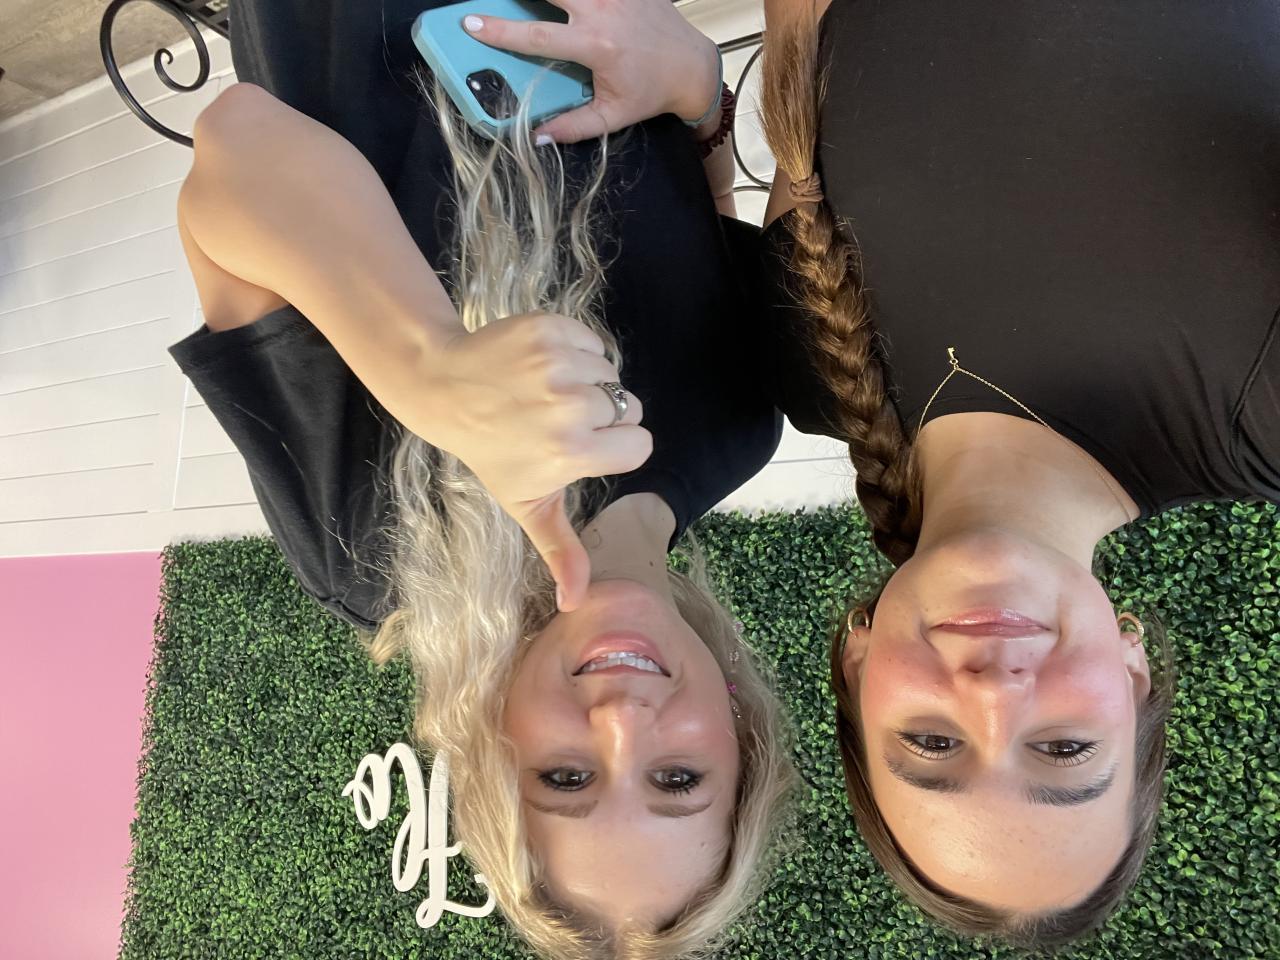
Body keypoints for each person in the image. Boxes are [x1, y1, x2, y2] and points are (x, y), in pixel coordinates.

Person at [473, 0, 1280, 946]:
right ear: (1136, 676)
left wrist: (695, 99)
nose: (993, 695)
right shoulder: (1260, 414)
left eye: (931, 743)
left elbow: (803, 35)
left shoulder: (811, 371)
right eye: (1064, 747)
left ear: (855, 670)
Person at [167, 1, 796, 956]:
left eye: (565, 779)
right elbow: (699, 199)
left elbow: (234, 144)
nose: (622, 725)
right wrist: (700, 91)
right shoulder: (742, 426)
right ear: (740, 729)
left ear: (494, 749)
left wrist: (426, 370)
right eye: (677, 780)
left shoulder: (379, 554)